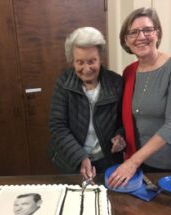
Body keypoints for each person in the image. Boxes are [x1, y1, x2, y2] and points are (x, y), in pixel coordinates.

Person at [108, 7, 171, 188]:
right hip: (144, 163)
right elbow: (131, 116)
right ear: (126, 40)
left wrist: (132, 162)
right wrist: (120, 136)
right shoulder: (129, 72)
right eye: (133, 32)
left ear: (157, 33)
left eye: (147, 30)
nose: (141, 37)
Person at [48, 27, 126, 180]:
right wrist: (80, 157)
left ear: (101, 58)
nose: (86, 68)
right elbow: (57, 126)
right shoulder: (63, 82)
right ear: (72, 61)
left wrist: (120, 136)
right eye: (80, 62)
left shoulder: (116, 83)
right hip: (72, 160)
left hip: (107, 160)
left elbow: (124, 122)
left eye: (92, 61)